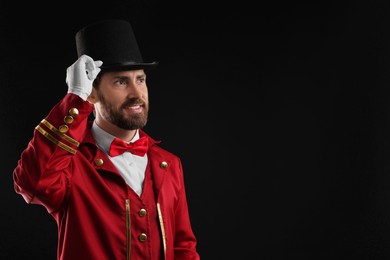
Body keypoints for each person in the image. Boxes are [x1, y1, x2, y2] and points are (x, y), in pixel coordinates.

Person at [13, 19, 200, 260]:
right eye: (121, 81)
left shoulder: (169, 163)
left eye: (140, 80)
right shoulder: (70, 163)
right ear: (92, 91)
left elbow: (183, 247)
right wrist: (75, 99)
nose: (136, 94)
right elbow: (33, 184)